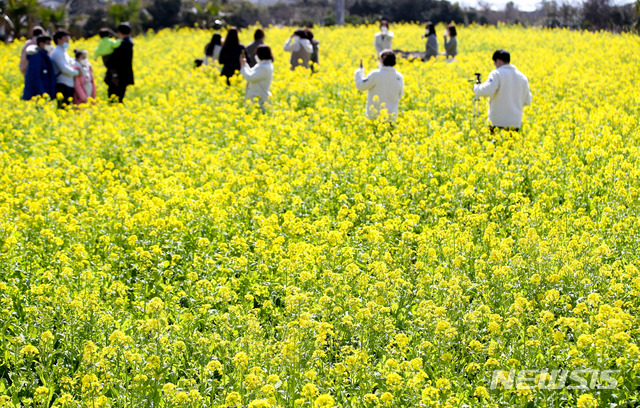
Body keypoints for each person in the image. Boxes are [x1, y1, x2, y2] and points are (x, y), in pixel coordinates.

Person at [473, 49, 532, 132]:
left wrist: (477, 87)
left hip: (498, 122)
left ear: (498, 61)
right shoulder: (522, 77)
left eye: (494, 63)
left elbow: (487, 90)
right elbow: (528, 101)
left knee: (496, 144)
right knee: (511, 145)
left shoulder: (497, 74)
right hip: (515, 122)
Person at [354, 49, 404, 122]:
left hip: (375, 116)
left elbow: (361, 86)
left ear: (382, 60)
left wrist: (359, 72)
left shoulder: (375, 74)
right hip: (391, 117)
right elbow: (400, 95)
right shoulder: (399, 76)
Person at [105, 23, 134, 103]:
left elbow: (113, 61)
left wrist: (114, 74)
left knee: (113, 100)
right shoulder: (130, 43)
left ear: (119, 32)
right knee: (120, 98)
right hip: (125, 75)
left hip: (116, 76)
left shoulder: (119, 45)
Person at [50, 30, 79, 108]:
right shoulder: (57, 52)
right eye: (65, 39)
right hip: (62, 83)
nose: (68, 41)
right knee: (63, 107)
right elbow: (64, 69)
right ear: (58, 40)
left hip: (68, 83)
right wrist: (76, 72)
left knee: (68, 106)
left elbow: (71, 62)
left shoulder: (63, 51)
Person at [240, 44, 274, 110]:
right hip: (256, 97)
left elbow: (250, 77)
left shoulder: (264, 68)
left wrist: (243, 66)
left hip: (258, 98)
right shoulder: (262, 64)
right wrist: (245, 63)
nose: (256, 56)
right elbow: (251, 72)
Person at [22, 35, 56, 101]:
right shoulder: (36, 57)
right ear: (41, 44)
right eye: (48, 44)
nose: (50, 46)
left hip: (43, 93)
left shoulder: (45, 57)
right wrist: (42, 92)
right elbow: (35, 76)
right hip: (35, 94)